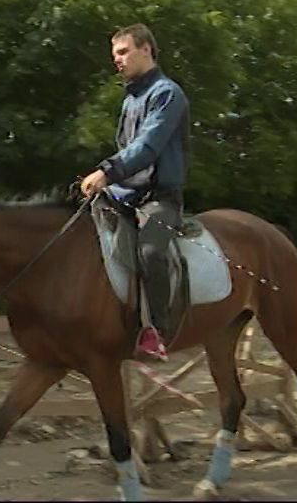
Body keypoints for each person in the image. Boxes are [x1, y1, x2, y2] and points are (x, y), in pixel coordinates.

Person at [80, 23, 191, 362]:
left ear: (146, 49)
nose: (118, 60)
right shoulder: (132, 98)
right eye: (115, 55)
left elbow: (146, 148)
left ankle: (158, 333)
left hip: (159, 200)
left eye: (123, 52)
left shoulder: (167, 94)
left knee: (151, 252)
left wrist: (106, 171)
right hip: (124, 196)